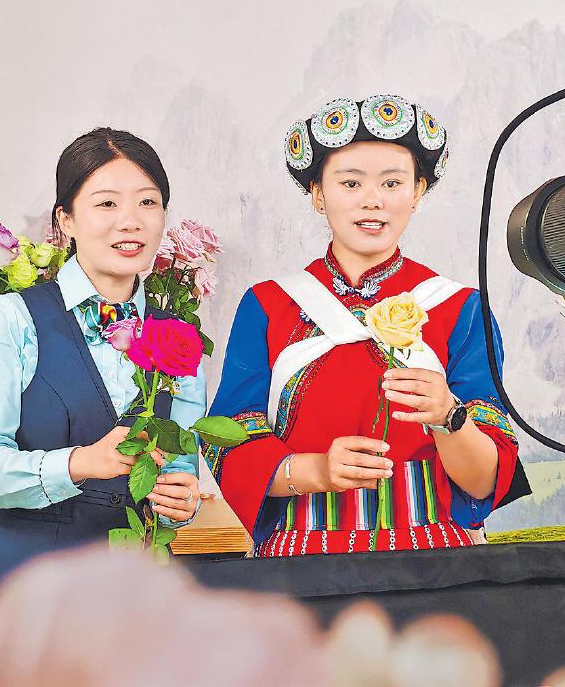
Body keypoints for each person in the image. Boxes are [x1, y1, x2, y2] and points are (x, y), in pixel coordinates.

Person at [204, 95, 527, 556]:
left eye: (392, 183)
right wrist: (317, 471)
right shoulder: (269, 306)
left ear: (417, 192)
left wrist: (448, 417)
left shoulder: (463, 309)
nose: (372, 200)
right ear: (318, 194)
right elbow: (228, 442)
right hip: (300, 560)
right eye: (351, 183)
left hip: (432, 559)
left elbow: (485, 480)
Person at [0, 128, 205, 619]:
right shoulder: (12, 320)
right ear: (65, 219)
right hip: (26, 603)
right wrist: (80, 463)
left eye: (148, 202)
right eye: (106, 204)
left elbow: (179, 467)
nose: (130, 221)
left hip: (135, 606)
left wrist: (182, 499)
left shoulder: (178, 340)